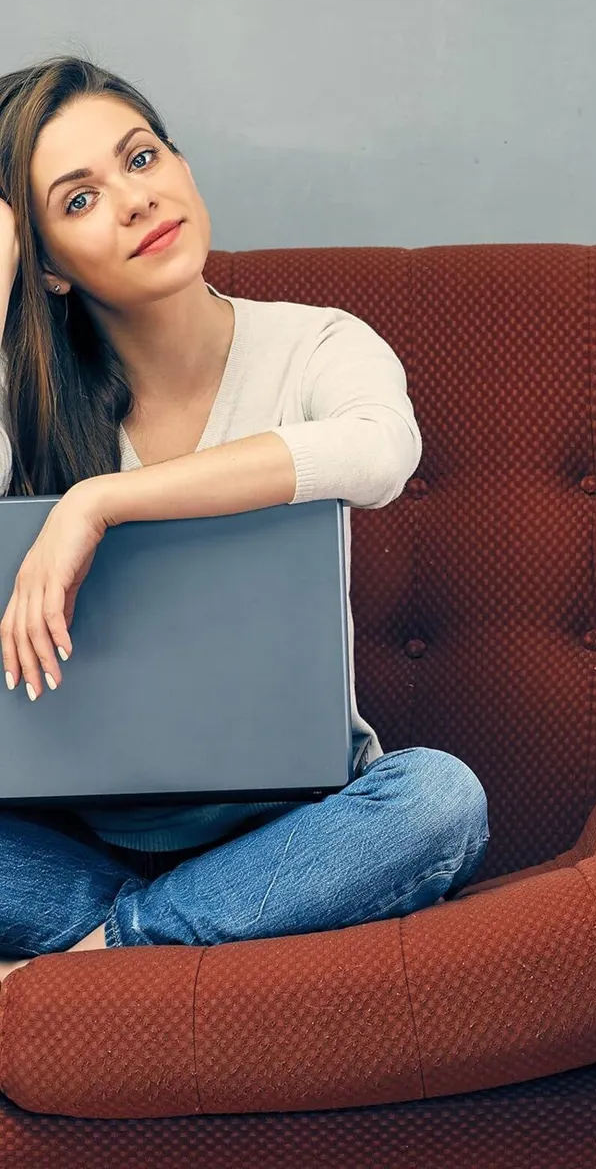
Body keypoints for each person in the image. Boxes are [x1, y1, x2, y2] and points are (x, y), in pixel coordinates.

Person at [0, 55, 489, 985]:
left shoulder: (318, 343)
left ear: (181, 166)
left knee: (439, 799)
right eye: (78, 201)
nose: (136, 201)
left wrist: (99, 499)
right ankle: (162, 932)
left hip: (299, 833)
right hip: (73, 848)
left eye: (141, 160)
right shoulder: (27, 407)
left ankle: (92, 963)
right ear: (50, 268)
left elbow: (380, 452)